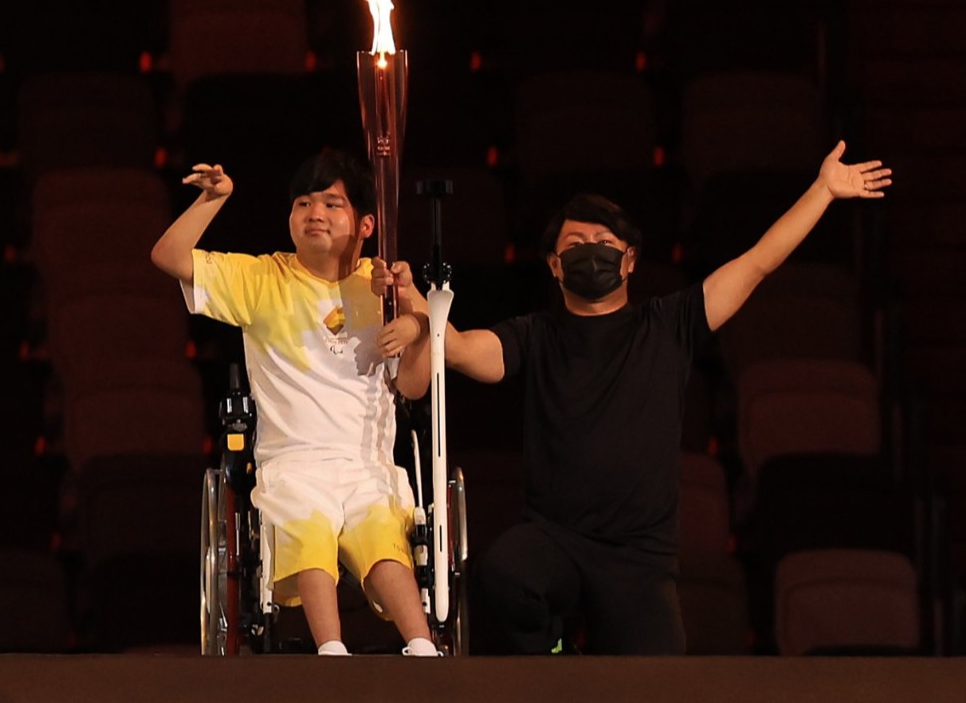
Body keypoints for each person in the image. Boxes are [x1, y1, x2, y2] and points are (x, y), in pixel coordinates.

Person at [418, 141, 891, 654]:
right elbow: (460, 348)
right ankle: (553, 663)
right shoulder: (535, 334)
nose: (590, 250)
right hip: (554, 541)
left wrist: (823, 190)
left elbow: (757, 263)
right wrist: (414, 304)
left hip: (639, 560)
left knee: (657, 680)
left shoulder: (670, 324)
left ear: (629, 261)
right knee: (504, 574)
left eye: (604, 241)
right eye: (575, 243)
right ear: (555, 265)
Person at [152, 150, 441, 655]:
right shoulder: (263, 279)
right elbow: (168, 256)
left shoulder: (383, 287)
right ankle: (331, 652)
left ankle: (422, 647)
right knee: (308, 522)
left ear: (365, 223)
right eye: (304, 203)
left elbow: (414, 387)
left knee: (380, 533)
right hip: (293, 463)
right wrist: (213, 199)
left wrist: (416, 325)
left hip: (364, 462)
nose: (315, 214)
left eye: (332, 204)